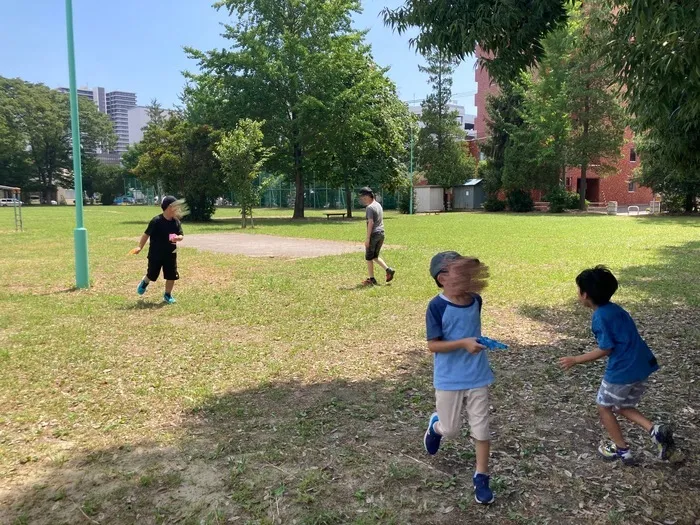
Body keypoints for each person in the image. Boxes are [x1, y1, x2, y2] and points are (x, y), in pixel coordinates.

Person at [559, 265, 674, 464]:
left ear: (585, 295)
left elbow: (606, 348)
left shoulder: (600, 317)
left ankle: (622, 450)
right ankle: (655, 431)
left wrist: (576, 359)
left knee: (604, 407)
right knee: (622, 405)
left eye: (578, 290)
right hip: (642, 366)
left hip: (622, 370)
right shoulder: (616, 309)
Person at [423, 251, 495, 505]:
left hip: (477, 375)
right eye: (460, 272)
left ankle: (481, 476)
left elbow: (472, 330)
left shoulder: (476, 299)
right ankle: (436, 426)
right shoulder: (437, 306)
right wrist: (463, 343)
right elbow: (433, 345)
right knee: (451, 430)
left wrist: (479, 341)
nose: (468, 278)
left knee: (481, 429)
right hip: (449, 379)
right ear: (442, 278)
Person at [133, 196, 184, 304]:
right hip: (155, 254)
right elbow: (146, 234)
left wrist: (178, 238)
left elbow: (181, 235)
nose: (178, 209)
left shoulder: (176, 222)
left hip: (170, 254)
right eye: (176, 206)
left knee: (172, 275)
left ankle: (167, 295)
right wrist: (139, 247)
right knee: (152, 274)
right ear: (169, 207)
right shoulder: (156, 221)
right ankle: (145, 282)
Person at [358, 187, 395, 286]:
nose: (362, 200)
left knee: (369, 258)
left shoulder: (370, 208)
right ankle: (388, 270)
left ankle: (372, 279)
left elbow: (371, 222)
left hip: (374, 234)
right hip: (381, 233)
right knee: (375, 256)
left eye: (363, 197)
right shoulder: (378, 205)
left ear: (367, 196)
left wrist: (367, 238)